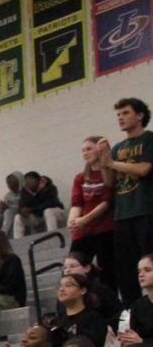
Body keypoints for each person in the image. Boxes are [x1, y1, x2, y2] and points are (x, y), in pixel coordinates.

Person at [98, 97, 153, 303]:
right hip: (122, 214)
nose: (120, 118)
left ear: (139, 115)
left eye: (126, 113)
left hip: (145, 210)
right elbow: (109, 182)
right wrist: (104, 161)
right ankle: (132, 311)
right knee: (126, 270)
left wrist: (112, 162)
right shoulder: (118, 147)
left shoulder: (148, 139)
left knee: (149, 262)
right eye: (118, 114)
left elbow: (144, 168)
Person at [68, 136, 115, 284]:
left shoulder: (109, 174)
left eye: (89, 149)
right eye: (83, 150)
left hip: (105, 228)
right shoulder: (80, 178)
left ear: (99, 150)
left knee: (108, 272)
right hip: (83, 230)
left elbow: (107, 202)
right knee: (73, 269)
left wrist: (85, 219)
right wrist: (72, 221)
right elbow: (76, 203)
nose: (85, 153)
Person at [47, 274, 108, 347]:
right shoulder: (57, 322)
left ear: (82, 290)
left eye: (68, 285)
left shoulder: (94, 318)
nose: (61, 289)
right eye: (59, 286)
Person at [62, 250, 122, 328]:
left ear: (87, 268)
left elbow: (117, 313)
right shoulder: (62, 291)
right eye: (64, 268)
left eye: (72, 266)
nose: (67, 270)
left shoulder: (100, 289)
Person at [14, 170, 67, 237]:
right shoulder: (25, 191)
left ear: (37, 181)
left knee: (48, 211)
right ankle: (18, 243)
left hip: (56, 213)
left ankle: (53, 237)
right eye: (26, 182)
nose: (27, 184)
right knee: (18, 217)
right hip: (38, 217)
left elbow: (50, 203)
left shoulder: (50, 187)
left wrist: (31, 210)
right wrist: (22, 211)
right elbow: (21, 204)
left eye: (29, 181)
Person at [121, 254, 153, 344]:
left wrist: (142, 341)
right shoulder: (137, 306)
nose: (141, 275)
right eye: (139, 271)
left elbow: (139, 340)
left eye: (147, 270)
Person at [0, 171, 23, 236]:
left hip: (20, 214)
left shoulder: (25, 193)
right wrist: (1, 209)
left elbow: (23, 207)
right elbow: (2, 213)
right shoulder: (7, 196)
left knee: (8, 212)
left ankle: (2, 235)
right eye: (8, 183)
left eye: (13, 184)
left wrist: (8, 207)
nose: (10, 185)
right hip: (8, 216)